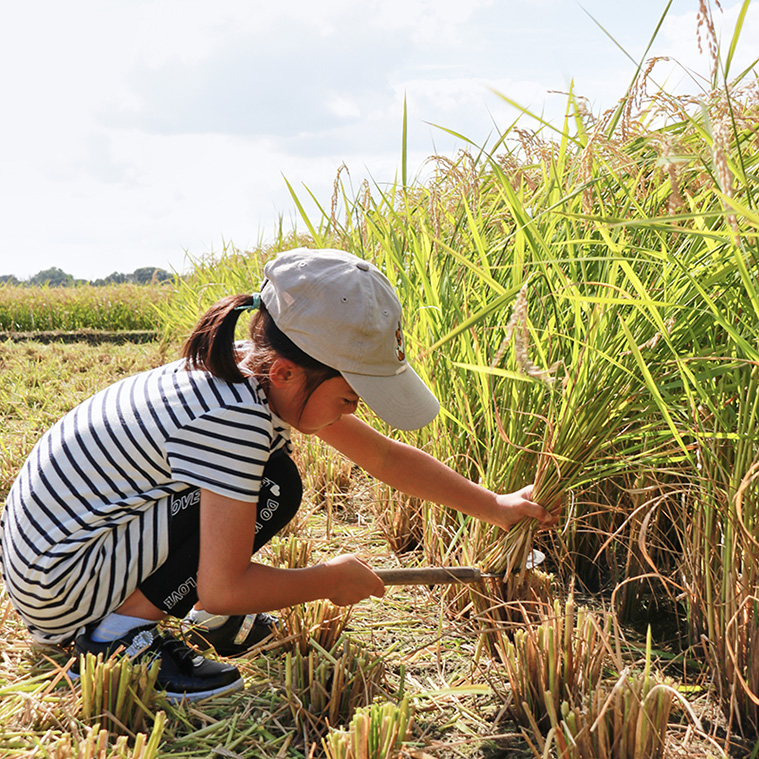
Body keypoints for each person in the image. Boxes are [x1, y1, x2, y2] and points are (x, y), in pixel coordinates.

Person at [0, 247, 554, 702]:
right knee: (275, 485)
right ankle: (115, 638)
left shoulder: (254, 371)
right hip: (62, 580)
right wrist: (327, 581)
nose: (353, 412)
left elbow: (383, 459)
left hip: (57, 557)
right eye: (349, 397)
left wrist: (496, 506)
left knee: (273, 481)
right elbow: (225, 586)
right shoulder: (233, 420)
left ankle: (172, 611)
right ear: (289, 372)